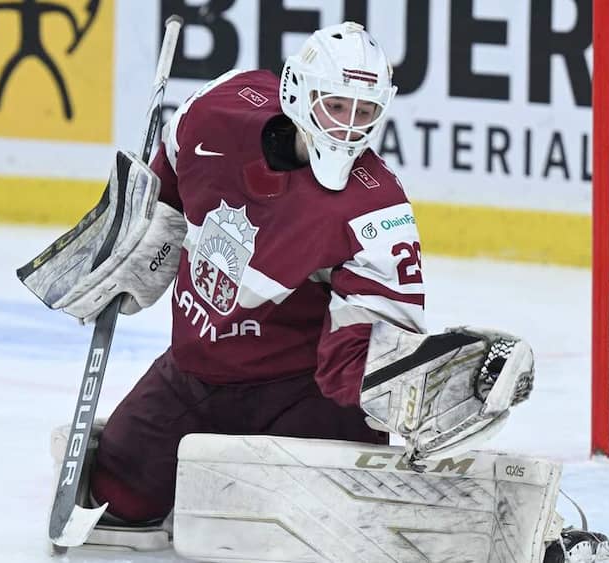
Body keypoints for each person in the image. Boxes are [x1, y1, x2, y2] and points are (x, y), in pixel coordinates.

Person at [88, 21, 424, 525]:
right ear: (298, 91)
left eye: (366, 112)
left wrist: (403, 395)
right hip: (193, 371)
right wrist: (136, 239)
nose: (348, 126)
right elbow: (172, 177)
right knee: (117, 499)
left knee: (322, 520)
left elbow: (371, 342)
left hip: (300, 391)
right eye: (336, 106)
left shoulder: (375, 206)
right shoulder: (216, 111)